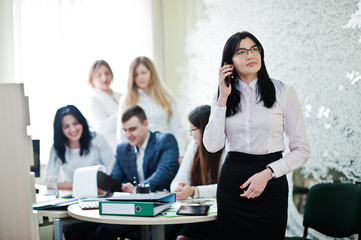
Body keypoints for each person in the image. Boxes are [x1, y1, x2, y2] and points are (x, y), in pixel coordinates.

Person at [203, 31, 311, 239]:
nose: (250, 55)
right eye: (241, 52)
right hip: (232, 185)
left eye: (254, 49)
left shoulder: (283, 91)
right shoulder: (222, 95)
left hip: (270, 182)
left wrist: (267, 173)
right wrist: (222, 98)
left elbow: (302, 150)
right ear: (229, 62)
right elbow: (212, 146)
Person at [96, 105, 179, 239]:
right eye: (125, 130)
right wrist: (108, 186)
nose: (128, 135)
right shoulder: (123, 149)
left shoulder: (165, 141)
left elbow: (164, 172)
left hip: (162, 208)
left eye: (132, 129)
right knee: (104, 231)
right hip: (135, 209)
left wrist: (137, 189)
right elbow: (116, 178)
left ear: (145, 124)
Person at [166, 105, 226, 240]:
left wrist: (194, 192)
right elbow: (179, 178)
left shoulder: (227, 148)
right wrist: (179, 189)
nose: (191, 134)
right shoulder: (193, 147)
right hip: (195, 212)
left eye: (193, 129)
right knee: (164, 233)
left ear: (205, 129)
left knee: (182, 238)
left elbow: (225, 188)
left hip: (219, 215)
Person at [116, 56, 185, 160]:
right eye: (136, 75)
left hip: (167, 150)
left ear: (151, 73)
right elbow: (122, 134)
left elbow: (177, 127)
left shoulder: (166, 96)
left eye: (143, 73)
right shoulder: (126, 100)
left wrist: (180, 154)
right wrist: (129, 158)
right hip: (141, 154)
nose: (140, 77)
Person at [45, 105, 115, 190]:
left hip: (100, 193)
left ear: (82, 122)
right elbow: (50, 181)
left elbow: (113, 169)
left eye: (76, 123)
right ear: (60, 129)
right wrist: (85, 186)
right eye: (66, 126)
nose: (73, 130)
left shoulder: (97, 139)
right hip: (72, 195)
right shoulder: (57, 147)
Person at [88, 59, 121, 153]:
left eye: (107, 73)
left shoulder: (121, 96)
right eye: (99, 75)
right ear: (91, 79)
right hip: (111, 149)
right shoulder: (94, 99)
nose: (104, 78)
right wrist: (123, 112)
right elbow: (101, 128)